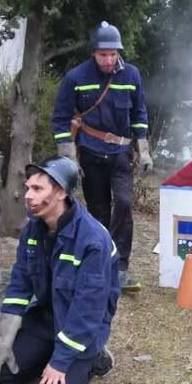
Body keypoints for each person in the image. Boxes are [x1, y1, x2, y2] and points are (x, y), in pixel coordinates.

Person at [0, 156, 120, 384]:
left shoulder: (93, 240)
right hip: (47, 319)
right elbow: (19, 284)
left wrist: (60, 362)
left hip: (81, 330)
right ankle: (46, 350)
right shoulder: (33, 229)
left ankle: (94, 359)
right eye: (28, 187)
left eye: (37, 189)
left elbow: (88, 311)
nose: (27, 196)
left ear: (62, 192)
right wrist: (4, 339)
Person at [52, 21, 152, 292]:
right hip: (91, 156)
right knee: (97, 213)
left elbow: (140, 113)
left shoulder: (131, 75)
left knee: (123, 205)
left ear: (118, 52)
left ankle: (120, 268)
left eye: (113, 54)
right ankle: (99, 265)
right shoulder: (76, 77)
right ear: (93, 53)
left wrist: (143, 150)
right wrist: (69, 159)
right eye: (103, 54)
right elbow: (61, 119)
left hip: (120, 155)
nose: (108, 60)